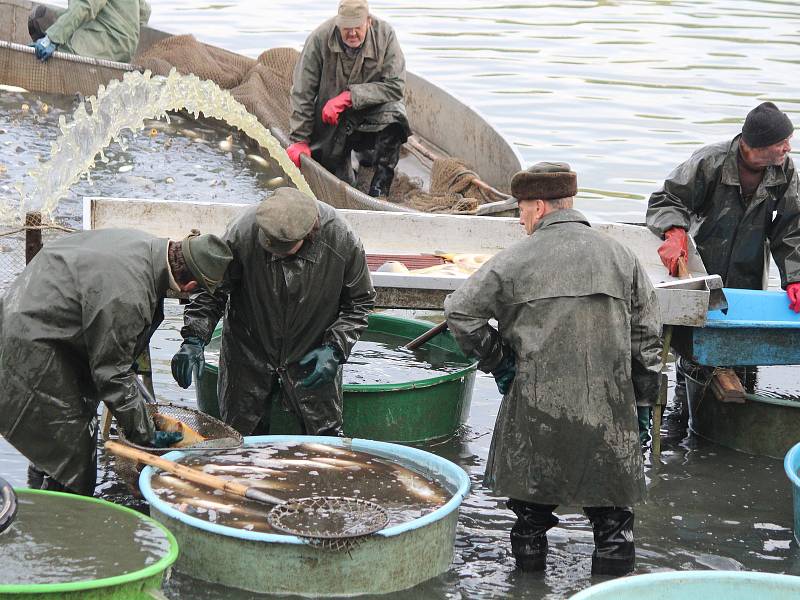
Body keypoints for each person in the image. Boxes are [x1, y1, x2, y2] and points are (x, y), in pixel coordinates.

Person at [444, 163, 662, 576]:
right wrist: (644, 405)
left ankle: (527, 585)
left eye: (521, 210)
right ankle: (612, 586)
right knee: (615, 523)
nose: (519, 219)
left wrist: (500, 364)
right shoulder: (621, 256)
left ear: (540, 207)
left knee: (529, 519)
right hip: (609, 415)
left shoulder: (512, 260)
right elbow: (647, 337)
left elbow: (459, 312)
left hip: (535, 413)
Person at [0, 229, 232, 495]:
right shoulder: (129, 294)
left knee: (53, 448)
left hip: (35, 307)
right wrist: (147, 435)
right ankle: (62, 517)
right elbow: (111, 376)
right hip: (34, 341)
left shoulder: (148, 249)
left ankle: (40, 502)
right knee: (72, 456)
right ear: (189, 287)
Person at [172, 187, 376, 437]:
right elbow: (211, 291)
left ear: (309, 235)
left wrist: (335, 348)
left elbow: (360, 303)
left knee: (324, 440)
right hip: (248, 350)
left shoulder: (341, 239)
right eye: (268, 247)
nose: (274, 253)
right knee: (240, 439)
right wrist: (194, 338)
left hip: (312, 352)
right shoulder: (242, 233)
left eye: (282, 249)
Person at [646, 101, 800, 410]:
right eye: (781, 142)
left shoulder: (784, 170)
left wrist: (795, 277)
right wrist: (674, 231)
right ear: (756, 145)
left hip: (748, 274)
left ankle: (737, 403)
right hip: (702, 268)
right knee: (694, 356)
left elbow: (790, 228)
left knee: (744, 354)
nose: (787, 147)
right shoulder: (710, 162)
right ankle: (686, 411)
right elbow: (666, 199)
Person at [286, 0, 411, 198]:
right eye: (346, 28)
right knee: (339, 182)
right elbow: (303, 92)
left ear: (368, 22)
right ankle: (350, 161)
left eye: (357, 27)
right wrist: (299, 139)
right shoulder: (319, 38)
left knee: (396, 116)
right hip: (330, 122)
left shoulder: (385, 35)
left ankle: (379, 187)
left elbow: (396, 87)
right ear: (338, 23)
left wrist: (349, 97)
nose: (352, 33)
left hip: (369, 117)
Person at [28, 0, 152, 63]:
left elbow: (85, 6)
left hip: (108, 42)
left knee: (61, 53)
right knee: (38, 15)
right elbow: (144, 11)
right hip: (127, 45)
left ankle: (43, 61)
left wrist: (52, 38)